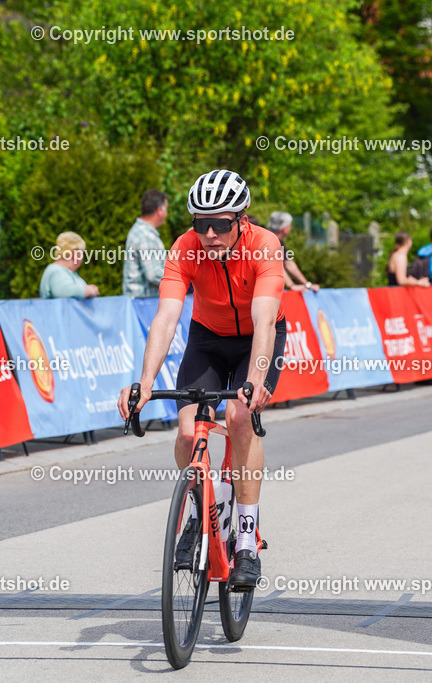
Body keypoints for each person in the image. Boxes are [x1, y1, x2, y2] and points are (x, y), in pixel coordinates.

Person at [119, 170, 285, 590]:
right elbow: (167, 317)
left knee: (238, 420)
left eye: (221, 225)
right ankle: (199, 512)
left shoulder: (265, 246)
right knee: (187, 431)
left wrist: (256, 379)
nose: (209, 234)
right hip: (208, 338)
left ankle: (246, 540)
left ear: (242, 220)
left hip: (256, 339)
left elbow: (264, 323)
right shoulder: (184, 248)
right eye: (200, 224)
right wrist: (144, 382)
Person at [123, 189, 169, 297]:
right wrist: (181, 279)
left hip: (139, 303)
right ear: (159, 210)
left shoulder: (140, 230)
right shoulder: (146, 236)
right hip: (143, 305)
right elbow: (153, 274)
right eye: (166, 209)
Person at [267, 211, 319, 292]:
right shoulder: (269, 241)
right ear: (284, 229)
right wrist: (292, 285)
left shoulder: (278, 241)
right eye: (290, 225)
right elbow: (276, 266)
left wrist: (307, 284)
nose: (290, 228)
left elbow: (289, 263)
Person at [39, 232, 100, 299]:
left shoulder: (69, 273)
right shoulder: (56, 271)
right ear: (75, 255)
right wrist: (87, 291)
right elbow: (63, 291)